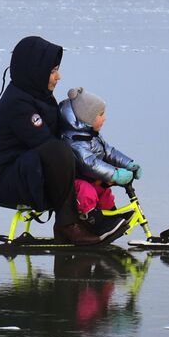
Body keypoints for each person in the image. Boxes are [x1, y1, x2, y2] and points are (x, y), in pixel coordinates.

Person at [0, 36, 101, 245]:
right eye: (53, 71)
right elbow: (47, 145)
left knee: (80, 148)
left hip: (25, 166)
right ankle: (66, 225)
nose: (58, 76)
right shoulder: (18, 103)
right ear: (35, 71)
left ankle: (92, 218)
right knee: (59, 152)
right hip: (2, 177)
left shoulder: (38, 95)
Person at [58, 87, 142, 237]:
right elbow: (90, 164)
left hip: (90, 180)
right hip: (74, 185)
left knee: (104, 190)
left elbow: (109, 151)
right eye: (100, 115)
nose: (104, 119)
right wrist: (115, 174)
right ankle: (95, 222)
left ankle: (111, 216)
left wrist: (129, 164)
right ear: (87, 118)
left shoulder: (92, 135)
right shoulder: (75, 141)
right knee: (87, 191)